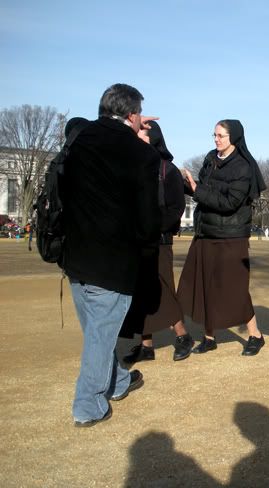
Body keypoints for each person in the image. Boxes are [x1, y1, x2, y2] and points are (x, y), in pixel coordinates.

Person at [62, 84, 161, 427]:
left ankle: (117, 381)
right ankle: (87, 405)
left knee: (96, 333)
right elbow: (148, 221)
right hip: (113, 261)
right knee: (100, 336)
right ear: (132, 115)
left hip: (75, 254)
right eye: (138, 115)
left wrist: (130, 125)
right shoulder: (142, 155)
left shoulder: (79, 138)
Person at [177, 119, 267, 356]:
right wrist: (186, 184)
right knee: (205, 285)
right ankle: (209, 337)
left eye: (221, 136)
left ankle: (256, 335)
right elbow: (202, 190)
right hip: (206, 232)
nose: (216, 140)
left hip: (231, 236)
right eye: (214, 135)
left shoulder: (243, 167)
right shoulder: (210, 159)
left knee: (234, 288)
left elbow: (230, 203)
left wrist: (197, 190)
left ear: (233, 137)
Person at [119, 121, 194, 362]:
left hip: (159, 240)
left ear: (154, 139)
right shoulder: (132, 166)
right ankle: (146, 345)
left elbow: (176, 208)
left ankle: (183, 335)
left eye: (142, 136)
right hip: (135, 241)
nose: (137, 140)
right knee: (140, 293)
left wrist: (152, 227)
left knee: (163, 290)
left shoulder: (167, 170)